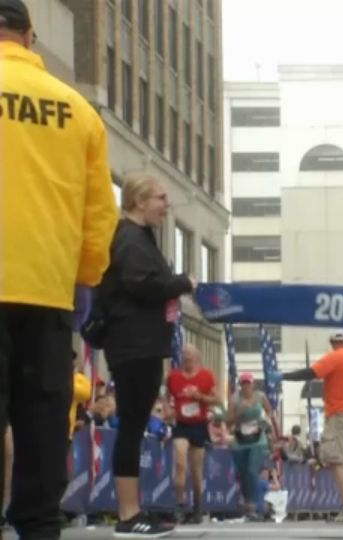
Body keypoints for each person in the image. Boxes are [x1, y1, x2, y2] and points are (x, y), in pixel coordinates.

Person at [0, 0, 118, 536]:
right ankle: (39, 524)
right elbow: (99, 216)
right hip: (47, 291)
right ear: (29, 36)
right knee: (42, 421)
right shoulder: (77, 111)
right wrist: (84, 278)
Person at [97, 172, 194, 537]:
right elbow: (142, 284)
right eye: (161, 198)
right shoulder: (129, 238)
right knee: (132, 426)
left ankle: (134, 508)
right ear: (139, 201)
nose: (166, 206)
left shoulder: (142, 238)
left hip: (145, 343)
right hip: (132, 344)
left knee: (135, 427)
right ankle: (127, 513)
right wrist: (182, 283)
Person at [270, 331, 343, 524]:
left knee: (336, 461)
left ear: (332, 342)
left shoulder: (334, 357)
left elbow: (311, 373)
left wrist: (283, 376)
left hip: (339, 413)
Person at [167, 344, 218, 524]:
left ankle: (197, 506)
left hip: (199, 425)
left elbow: (217, 400)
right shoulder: (173, 376)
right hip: (181, 424)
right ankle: (180, 505)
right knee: (180, 462)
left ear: (197, 358)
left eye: (191, 356)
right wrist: (168, 410)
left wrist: (199, 397)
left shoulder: (206, 376)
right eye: (185, 356)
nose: (187, 359)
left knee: (196, 472)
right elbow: (167, 397)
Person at [228, 373, 276, 521]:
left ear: (253, 384)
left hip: (257, 438)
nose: (246, 386)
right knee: (243, 473)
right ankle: (247, 503)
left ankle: (254, 506)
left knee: (252, 470)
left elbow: (269, 411)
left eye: (248, 383)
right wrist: (239, 413)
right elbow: (228, 422)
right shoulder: (235, 399)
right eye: (243, 383)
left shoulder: (260, 396)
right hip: (240, 440)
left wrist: (264, 422)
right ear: (240, 385)